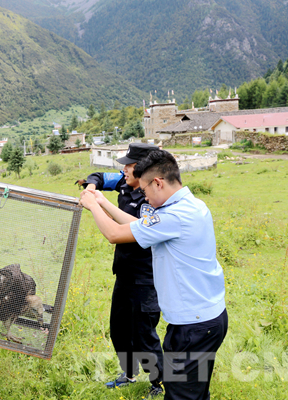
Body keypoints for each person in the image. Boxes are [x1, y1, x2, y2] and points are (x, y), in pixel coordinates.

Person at [79, 150, 227, 400]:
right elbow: (135, 225)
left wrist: (92, 205)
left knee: (181, 395)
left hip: (193, 326)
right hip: (207, 319)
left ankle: (156, 381)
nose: (144, 196)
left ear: (158, 182)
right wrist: (103, 202)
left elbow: (115, 234)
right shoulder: (191, 205)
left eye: (145, 189)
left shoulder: (173, 217)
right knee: (196, 393)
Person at [78, 143, 164, 397]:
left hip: (145, 278)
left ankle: (159, 383)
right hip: (124, 273)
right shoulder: (124, 183)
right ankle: (129, 373)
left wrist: (99, 203)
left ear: (145, 169)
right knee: (119, 329)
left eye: (129, 165)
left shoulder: (150, 201)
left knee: (144, 334)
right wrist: (91, 187)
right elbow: (98, 176)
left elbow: (133, 232)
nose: (124, 170)